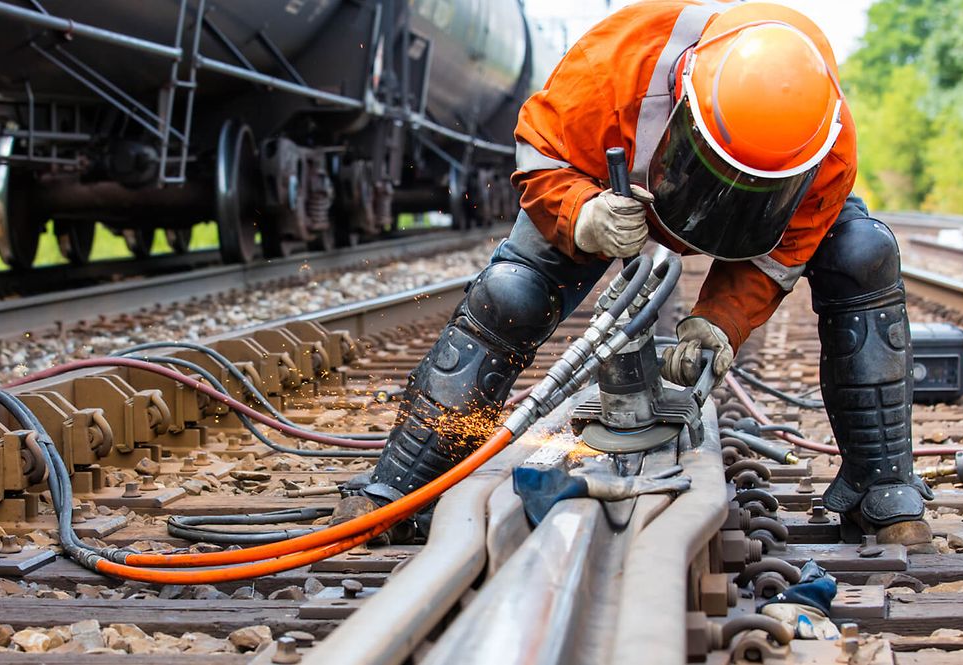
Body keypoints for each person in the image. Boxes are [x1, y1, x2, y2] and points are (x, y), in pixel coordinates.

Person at [349, 0, 933, 547]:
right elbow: (540, 151)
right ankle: (402, 487)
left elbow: (787, 248)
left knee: (862, 253)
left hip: (738, 206)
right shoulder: (619, 62)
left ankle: (883, 488)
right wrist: (582, 214)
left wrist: (720, 321)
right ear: (685, 97)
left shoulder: (825, 142)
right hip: (615, 190)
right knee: (511, 295)